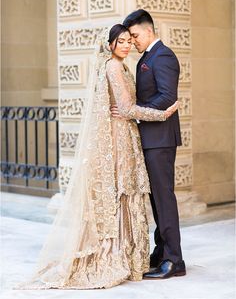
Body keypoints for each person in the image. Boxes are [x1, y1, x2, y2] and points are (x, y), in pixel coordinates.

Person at [17, 24, 178, 290]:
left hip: (125, 133)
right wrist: (162, 114)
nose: (126, 45)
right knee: (123, 190)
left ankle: (128, 257)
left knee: (126, 191)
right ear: (110, 45)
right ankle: (116, 257)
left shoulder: (122, 66)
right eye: (121, 41)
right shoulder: (113, 67)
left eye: (129, 40)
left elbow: (124, 108)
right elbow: (125, 108)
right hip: (119, 137)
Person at [121, 9, 186, 279]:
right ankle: (162, 253)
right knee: (156, 199)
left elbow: (167, 98)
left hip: (160, 139)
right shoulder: (147, 57)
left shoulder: (164, 56)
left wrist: (134, 110)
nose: (133, 41)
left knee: (164, 198)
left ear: (149, 31)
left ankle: (174, 260)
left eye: (135, 35)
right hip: (150, 138)